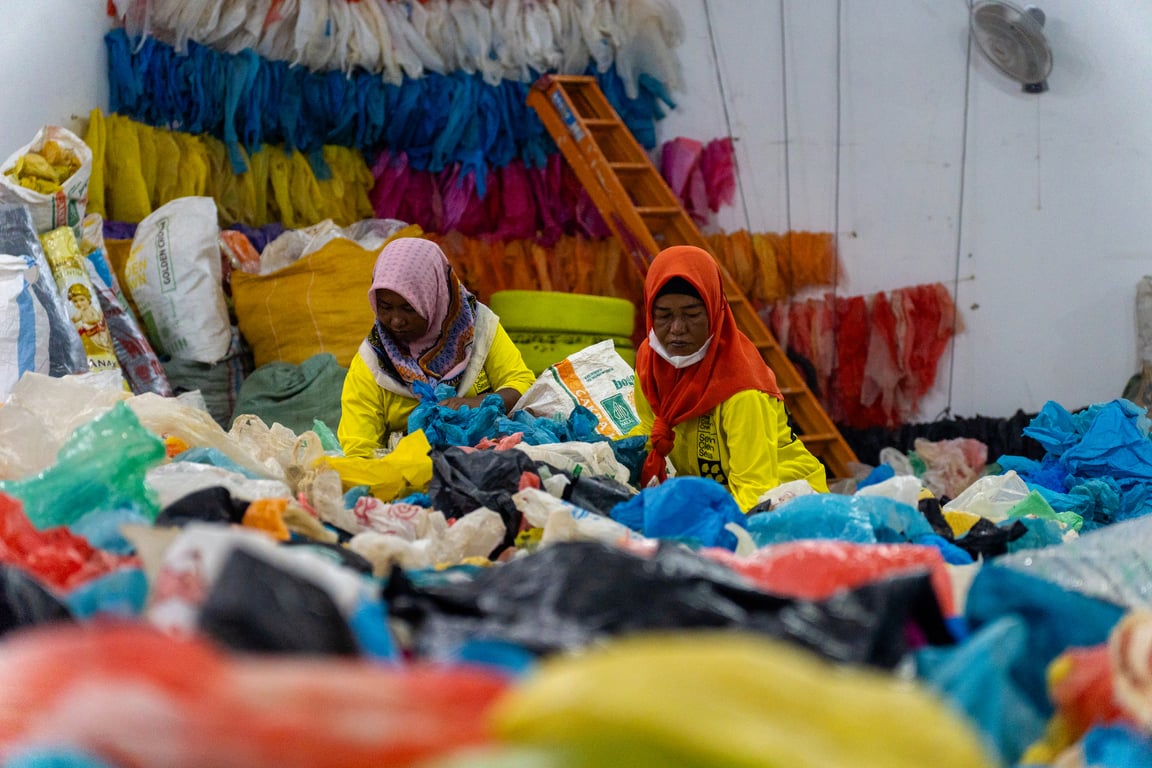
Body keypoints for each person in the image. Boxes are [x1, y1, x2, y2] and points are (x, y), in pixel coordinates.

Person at [635, 245, 829, 511]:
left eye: (691, 315)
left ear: (714, 312)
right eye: (664, 316)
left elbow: (755, 492)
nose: (677, 329)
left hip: (785, 503)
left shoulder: (741, 389)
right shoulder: (650, 362)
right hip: (715, 498)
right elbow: (647, 432)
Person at [338, 237, 536, 458]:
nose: (396, 321)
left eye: (408, 308)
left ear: (436, 297)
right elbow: (359, 450)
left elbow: (522, 384)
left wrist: (476, 404)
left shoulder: (479, 329)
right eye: (385, 307)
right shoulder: (374, 362)